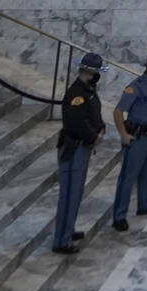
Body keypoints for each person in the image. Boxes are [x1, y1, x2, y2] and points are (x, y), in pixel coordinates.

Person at [52, 50, 106, 253]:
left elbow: (95, 114)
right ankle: (61, 241)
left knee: (76, 193)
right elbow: (76, 124)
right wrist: (94, 136)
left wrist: (101, 129)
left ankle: (69, 229)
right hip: (73, 149)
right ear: (91, 72)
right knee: (69, 195)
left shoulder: (88, 91)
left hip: (83, 148)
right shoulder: (76, 94)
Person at [110, 50, 147, 230]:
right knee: (128, 177)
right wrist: (123, 134)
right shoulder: (135, 87)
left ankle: (145, 204)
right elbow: (118, 111)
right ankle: (119, 215)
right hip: (137, 137)